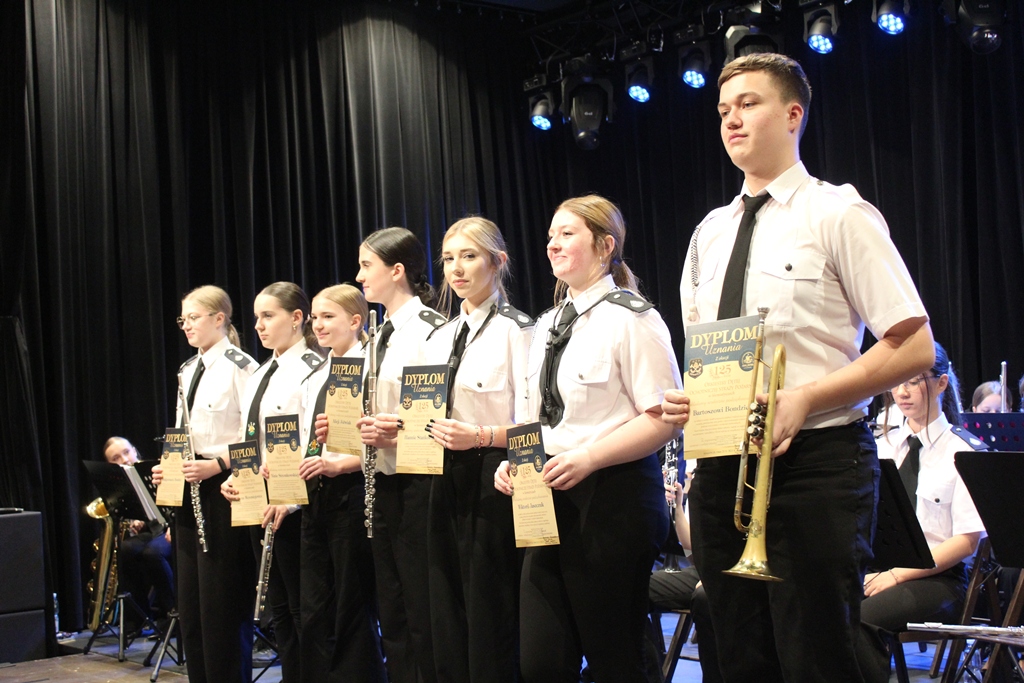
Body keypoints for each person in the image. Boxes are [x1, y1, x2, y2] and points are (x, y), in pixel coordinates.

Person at [661, 53, 935, 682]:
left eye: (748, 104)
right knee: (737, 658)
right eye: (723, 110)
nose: (731, 120)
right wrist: (691, 400)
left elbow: (913, 346)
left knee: (816, 656)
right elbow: (708, 351)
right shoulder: (707, 233)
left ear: (793, 115)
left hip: (816, 462)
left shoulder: (837, 213)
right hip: (722, 468)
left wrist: (805, 398)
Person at [494, 195, 681, 682]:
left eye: (567, 234)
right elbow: (534, 417)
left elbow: (664, 418)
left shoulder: (632, 318)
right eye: (550, 235)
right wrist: (514, 460)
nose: (552, 244)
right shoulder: (547, 323)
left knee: (616, 659)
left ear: (605, 245)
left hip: (613, 499)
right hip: (546, 497)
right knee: (541, 663)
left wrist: (591, 457)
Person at [421, 217, 530, 683]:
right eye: (449, 258)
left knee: (490, 609)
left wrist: (482, 435)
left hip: (494, 475)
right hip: (440, 475)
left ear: (497, 261)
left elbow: (535, 425)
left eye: (469, 256)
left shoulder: (519, 331)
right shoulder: (440, 336)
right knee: (446, 606)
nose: (456, 269)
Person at [855, 343, 986, 682]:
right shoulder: (882, 445)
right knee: (817, 605)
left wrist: (898, 575)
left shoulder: (963, 452)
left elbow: (967, 542)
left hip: (939, 580)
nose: (901, 392)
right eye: (897, 382)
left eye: (913, 381)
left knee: (860, 618)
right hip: (878, 568)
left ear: (941, 383)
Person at [152, 285, 257, 683]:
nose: (186, 326)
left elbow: (254, 437)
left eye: (194, 317)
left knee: (221, 607)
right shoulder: (187, 369)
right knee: (192, 608)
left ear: (219, 318)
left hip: (223, 487)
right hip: (188, 486)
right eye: (183, 319)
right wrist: (169, 471)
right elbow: (184, 433)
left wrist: (217, 465)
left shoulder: (240, 367)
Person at [356, 227, 445, 683]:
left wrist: (397, 434)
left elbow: (441, 413)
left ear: (396, 271)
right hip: (383, 483)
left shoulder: (430, 329)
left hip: (419, 482)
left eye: (366, 266)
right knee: (392, 610)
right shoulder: (376, 336)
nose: (359, 277)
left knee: (421, 609)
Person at [222, 281, 323, 683]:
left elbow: (314, 439)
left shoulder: (314, 368)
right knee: (277, 608)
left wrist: (292, 499)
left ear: (297, 318)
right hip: (258, 499)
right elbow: (252, 438)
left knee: (303, 609)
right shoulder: (261, 372)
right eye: (256, 318)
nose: (259, 326)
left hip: (296, 502)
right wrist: (236, 476)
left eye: (268, 316)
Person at [299, 284, 387, 683]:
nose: (318, 325)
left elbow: (380, 442)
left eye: (327, 316)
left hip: (354, 491)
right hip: (316, 494)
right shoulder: (317, 374)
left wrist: (342, 465)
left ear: (355, 321)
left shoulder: (372, 367)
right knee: (315, 605)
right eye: (315, 317)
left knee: (352, 604)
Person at [647, 464, 722, 683]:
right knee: (631, 589)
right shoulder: (703, 482)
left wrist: (713, 577)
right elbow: (691, 552)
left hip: (731, 573)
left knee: (705, 599)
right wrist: (677, 508)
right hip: (702, 570)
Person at [103, 436, 175, 631]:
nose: (124, 460)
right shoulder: (122, 482)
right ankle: (138, 619)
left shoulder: (154, 470)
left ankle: (172, 614)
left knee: (153, 553)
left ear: (135, 451)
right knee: (125, 549)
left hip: (170, 528)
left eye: (126, 452)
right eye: (116, 458)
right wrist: (138, 518)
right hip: (153, 530)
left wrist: (171, 525)